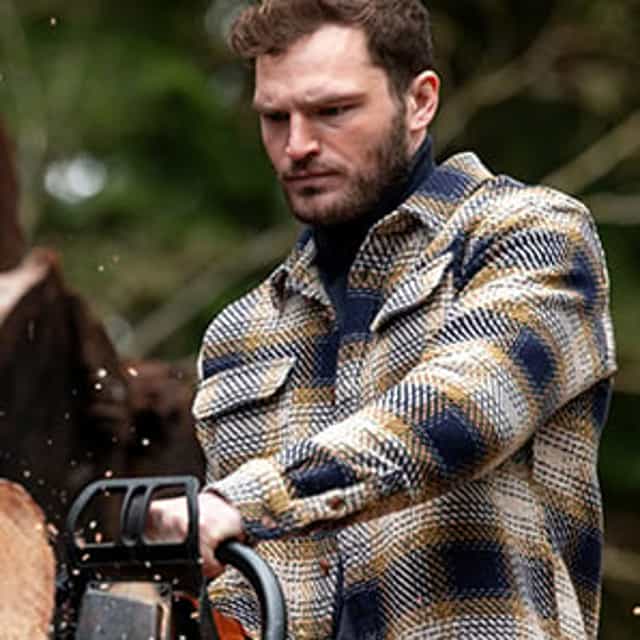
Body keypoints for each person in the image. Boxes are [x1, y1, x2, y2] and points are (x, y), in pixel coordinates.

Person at [147, 1, 617, 638]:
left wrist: (248, 500)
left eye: (333, 111)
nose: (298, 146)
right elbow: (238, 596)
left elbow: (465, 408)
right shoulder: (242, 333)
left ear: (419, 102)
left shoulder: (527, 236)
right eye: (275, 117)